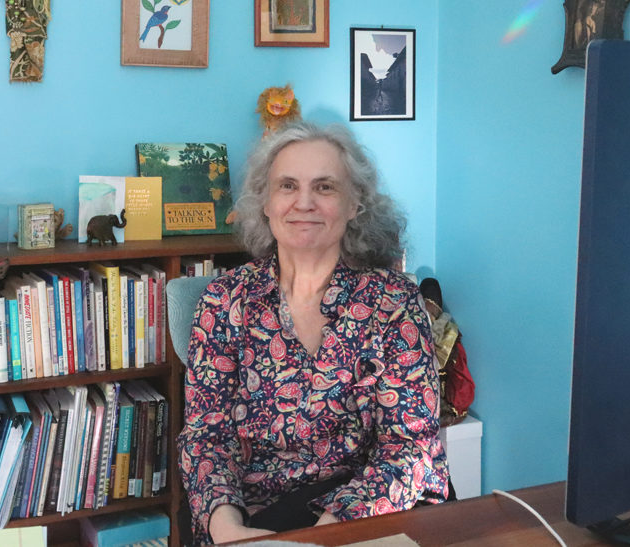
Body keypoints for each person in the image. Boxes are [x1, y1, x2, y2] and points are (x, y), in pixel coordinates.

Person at [177, 121, 451, 545]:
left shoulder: (394, 302)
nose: (303, 202)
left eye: (325, 187)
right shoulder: (224, 300)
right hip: (259, 513)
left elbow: (410, 446)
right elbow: (207, 437)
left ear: (354, 204)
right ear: (265, 203)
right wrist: (228, 529)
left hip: (372, 506)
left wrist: (322, 536)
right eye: (287, 186)